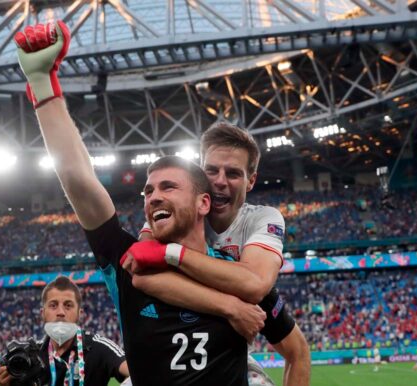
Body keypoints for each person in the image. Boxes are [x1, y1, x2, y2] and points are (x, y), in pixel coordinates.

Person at [14, 22, 269, 385]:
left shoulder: (235, 271)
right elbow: (78, 180)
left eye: (169, 187)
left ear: (203, 203)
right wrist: (42, 82)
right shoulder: (129, 262)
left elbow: (295, 347)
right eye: (148, 192)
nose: (154, 197)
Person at [131, 122, 311, 386]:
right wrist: (231, 307)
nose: (219, 181)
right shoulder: (174, 210)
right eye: (211, 170)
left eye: (233, 173)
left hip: (229, 350)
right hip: (166, 350)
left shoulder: (262, 218)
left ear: (251, 181)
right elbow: (141, 274)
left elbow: (255, 285)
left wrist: (173, 253)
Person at [0, 276, 128, 386]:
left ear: (79, 314)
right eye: (53, 305)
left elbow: (139, 375)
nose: (60, 312)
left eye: (68, 306)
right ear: (43, 313)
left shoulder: (99, 347)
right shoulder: (30, 355)